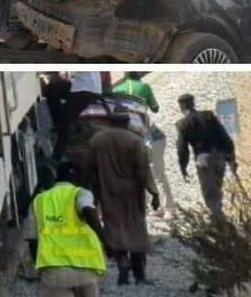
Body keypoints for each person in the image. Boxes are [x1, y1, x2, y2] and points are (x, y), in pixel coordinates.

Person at [25, 162, 107, 297]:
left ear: (56, 178)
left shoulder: (40, 201)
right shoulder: (81, 193)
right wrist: (105, 238)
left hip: (54, 272)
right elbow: (88, 211)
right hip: (86, 270)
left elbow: (32, 239)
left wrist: (38, 268)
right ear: (77, 179)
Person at [87, 110, 160, 285]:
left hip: (108, 190)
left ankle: (122, 265)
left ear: (110, 122)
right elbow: (143, 170)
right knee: (135, 228)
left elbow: (90, 168)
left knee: (115, 227)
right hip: (132, 192)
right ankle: (139, 274)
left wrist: (93, 195)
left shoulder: (97, 140)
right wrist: (154, 192)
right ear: (127, 122)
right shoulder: (135, 141)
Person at [113, 73, 173, 212]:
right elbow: (155, 108)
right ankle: (167, 208)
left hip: (134, 136)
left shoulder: (116, 90)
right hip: (150, 135)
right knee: (158, 173)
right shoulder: (144, 86)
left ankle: (147, 207)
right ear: (139, 75)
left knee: (138, 172)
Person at [176, 93, 237, 216]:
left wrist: (183, 167)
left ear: (181, 107)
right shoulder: (209, 115)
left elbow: (182, 149)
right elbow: (224, 136)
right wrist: (231, 157)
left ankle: (219, 222)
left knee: (210, 193)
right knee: (218, 188)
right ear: (193, 103)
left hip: (204, 160)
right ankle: (221, 219)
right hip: (220, 156)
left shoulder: (182, 124)